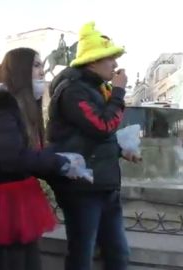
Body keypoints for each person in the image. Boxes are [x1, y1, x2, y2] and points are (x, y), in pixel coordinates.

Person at [0, 47, 88, 270]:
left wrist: (61, 162)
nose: (42, 72)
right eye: (36, 65)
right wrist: (59, 162)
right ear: (20, 69)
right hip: (5, 202)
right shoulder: (2, 105)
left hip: (15, 197)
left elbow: (25, 153)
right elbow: (11, 157)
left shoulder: (18, 103)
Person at [46, 22, 139, 270]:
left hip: (105, 185)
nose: (116, 65)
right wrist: (119, 93)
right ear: (93, 62)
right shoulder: (73, 91)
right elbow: (102, 125)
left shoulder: (96, 89)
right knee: (81, 254)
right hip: (83, 189)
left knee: (118, 253)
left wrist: (121, 151)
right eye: (110, 59)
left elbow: (93, 138)